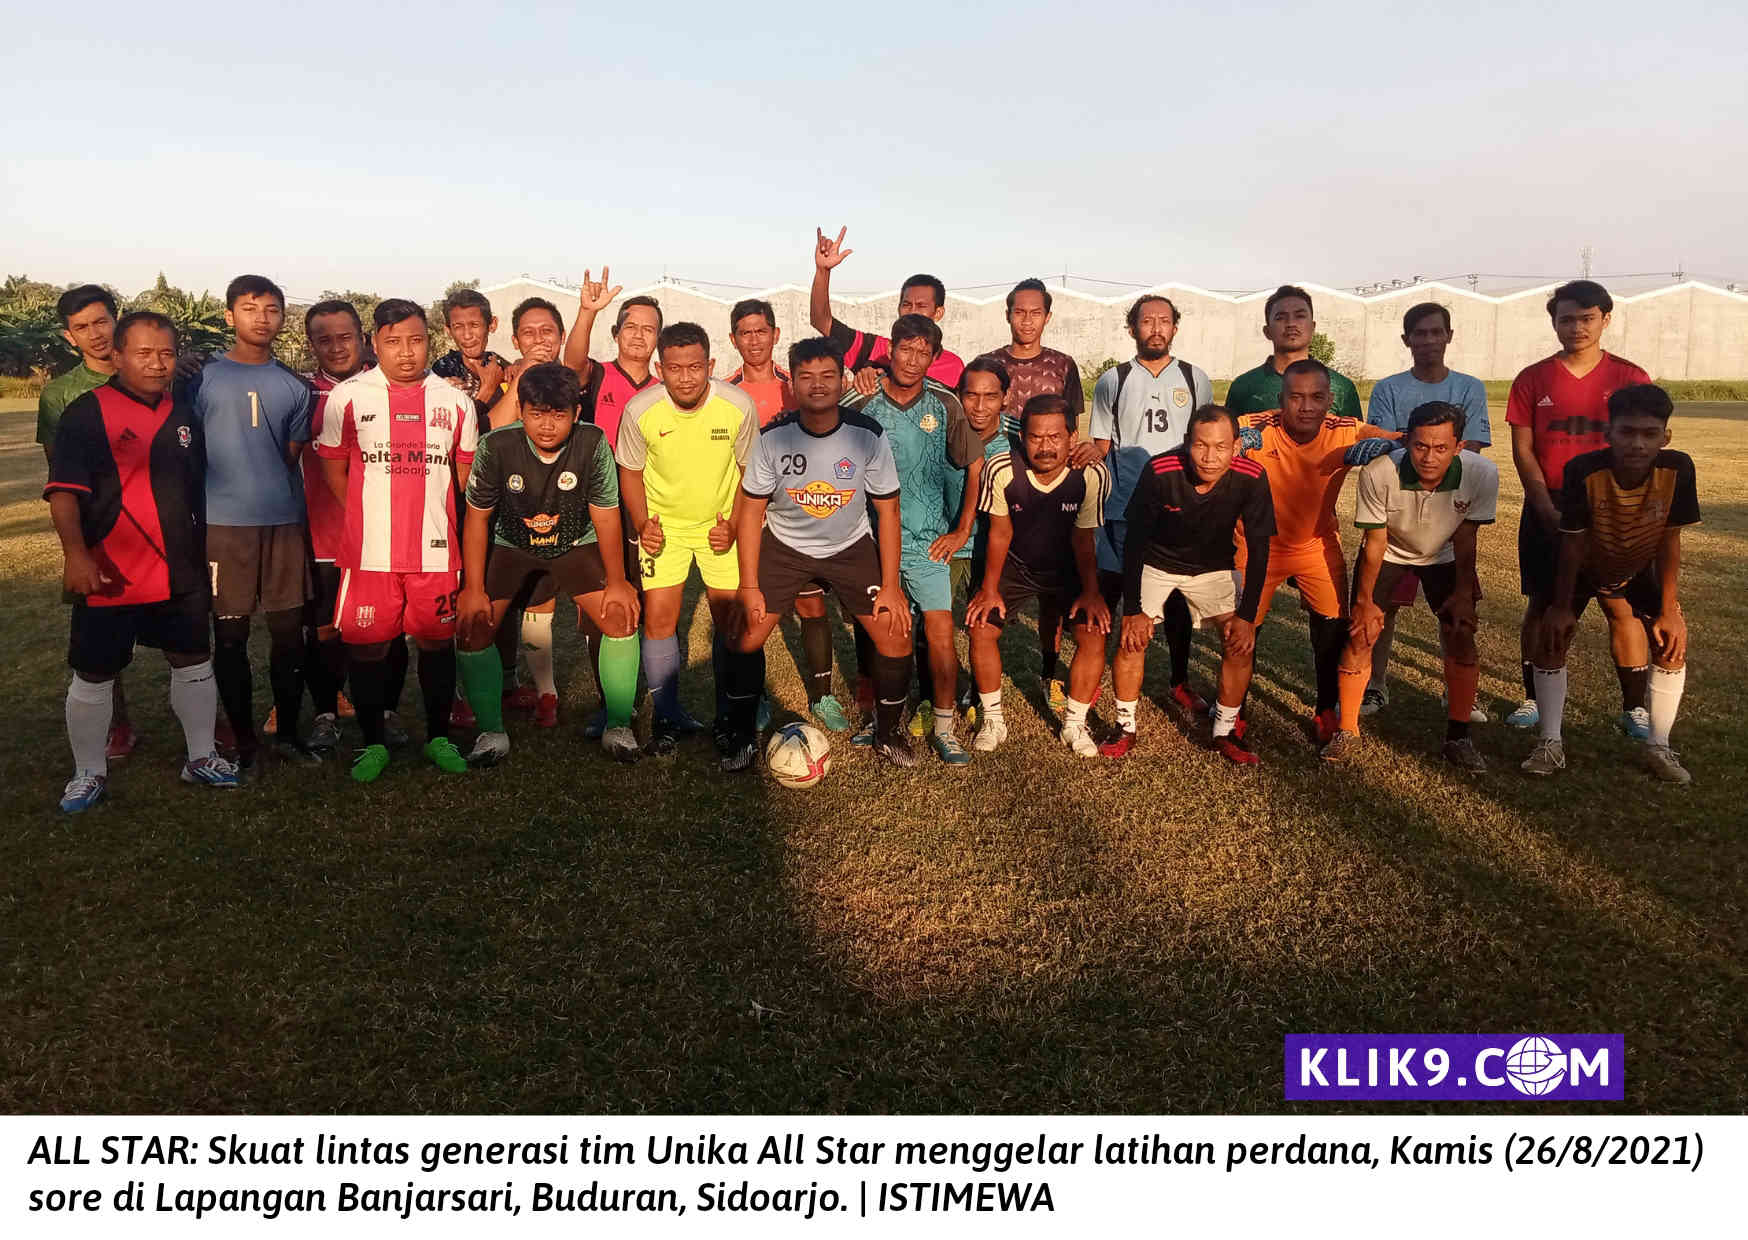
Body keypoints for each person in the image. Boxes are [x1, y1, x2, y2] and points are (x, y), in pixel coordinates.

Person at [44, 310, 239, 811]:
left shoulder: (183, 413)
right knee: (95, 672)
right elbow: (63, 493)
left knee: (192, 659)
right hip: (111, 568)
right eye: (144, 353)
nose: (157, 363)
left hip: (179, 566)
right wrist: (76, 556)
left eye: (166, 353)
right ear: (117, 356)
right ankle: (88, 772)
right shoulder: (87, 413)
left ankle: (201, 757)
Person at [725, 336, 916, 768]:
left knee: (895, 632)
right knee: (746, 633)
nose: (817, 385)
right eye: (806, 377)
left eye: (827, 376)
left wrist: (890, 585)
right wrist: (749, 585)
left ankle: (888, 732)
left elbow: (888, 511)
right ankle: (740, 735)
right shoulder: (772, 438)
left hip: (849, 546)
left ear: (842, 380)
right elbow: (751, 511)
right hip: (786, 545)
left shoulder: (867, 435)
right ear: (792, 384)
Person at [315, 299, 479, 783]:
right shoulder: (347, 398)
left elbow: (462, 477)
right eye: (393, 342)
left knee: (436, 644)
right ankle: (373, 742)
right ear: (375, 344)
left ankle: (438, 737)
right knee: (368, 649)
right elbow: (334, 471)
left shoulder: (455, 402)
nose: (406, 352)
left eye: (416, 340)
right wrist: (370, 516)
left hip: (435, 553)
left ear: (430, 341)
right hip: (370, 554)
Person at [456, 362, 642, 765]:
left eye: (558, 415)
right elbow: (477, 519)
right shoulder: (496, 446)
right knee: (474, 624)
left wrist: (617, 581)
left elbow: (605, 514)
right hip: (511, 544)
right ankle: (491, 733)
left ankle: (618, 725)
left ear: (576, 413)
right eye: (536, 414)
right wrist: (472, 588)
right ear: (521, 411)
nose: (546, 425)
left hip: (575, 542)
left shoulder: (592, 442)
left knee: (619, 616)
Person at [1524, 384, 1697, 784]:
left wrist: (1669, 609)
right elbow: (1572, 543)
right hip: (1581, 564)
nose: (1637, 443)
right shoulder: (1583, 470)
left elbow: (1670, 540)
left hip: (1637, 563)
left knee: (1670, 643)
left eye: (1649, 434)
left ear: (1666, 437)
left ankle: (1658, 746)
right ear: (1608, 433)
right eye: (1627, 432)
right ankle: (1550, 741)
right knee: (1552, 638)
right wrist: (1561, 606)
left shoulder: (1679, 469)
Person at [179, 274, 315, 772]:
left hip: (282, 524)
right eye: (250, 308)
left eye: (272, 309)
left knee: (289, 634)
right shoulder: (200, 378)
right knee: (231, 636)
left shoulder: (295, 386)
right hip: (223, 527)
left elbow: (289, 455)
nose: (262, 318)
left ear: (283, 318)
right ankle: (242, 740)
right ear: (229, 315)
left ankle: (289, 733)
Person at [1505, 279, 1650, 734]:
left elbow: (1644, 446)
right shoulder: (1533, 378)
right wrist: (1543, 506)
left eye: (1587, 318)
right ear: (1554, 323)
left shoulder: (1630, 378)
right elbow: (1523, 450)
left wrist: (1626, 505)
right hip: (1550, 504)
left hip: (1614, 508)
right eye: (1566, 319)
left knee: (1621, 605)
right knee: (1543, 604)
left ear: (1605, 320)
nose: (1577, 327)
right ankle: (1533, 698)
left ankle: (1634, 708)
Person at [843, 314, 985, 763]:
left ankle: (943, 727)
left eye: (924, 352)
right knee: (882, 633)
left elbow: (974, 465)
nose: (912, 359)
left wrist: (961, 529)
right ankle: (879, 720)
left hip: (927, 542)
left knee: (940, 633)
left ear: (934, 357)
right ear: (890, 350)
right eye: (905, 349)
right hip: (871, 542)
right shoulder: (861, 402)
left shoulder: (944, 404)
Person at [1326, 402, 1498, 770]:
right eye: (1420, 446)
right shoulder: (1379, 472)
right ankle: (1347, 729)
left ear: (1459, 447)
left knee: (1460, 632)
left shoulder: (1482, 473)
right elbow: (1374, 542)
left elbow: (1466, 538)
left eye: (1441, 448)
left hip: (1446, 553)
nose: (1429, 458)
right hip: (1390, 550)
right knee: (1362, 633)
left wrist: (1463, 595)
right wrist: (1364, 603)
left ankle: (1458, 737)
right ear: (1407, 441)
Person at [616, 322, 760, 757]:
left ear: (710, 365)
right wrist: (642, 523)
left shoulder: (737, 405)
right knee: (659, 619)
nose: (685, 378)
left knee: (730, 621)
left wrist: (734, 524)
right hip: (665, 530)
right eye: (674, 368)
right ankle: (666, 717)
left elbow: (750, 473)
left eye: (695, 367)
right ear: (659, 368)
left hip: (720, 527)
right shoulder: (640, 410)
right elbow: (630, 472)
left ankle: (728, 717)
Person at [1236, 360, 1398, 743]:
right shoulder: (1254, 425)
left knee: (1331, 629)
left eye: (1316, 397)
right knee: (1242, 630)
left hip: (1315, 543)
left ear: (1330, 400)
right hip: (1257, 546)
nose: (1306, 406)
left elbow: (1405, 438)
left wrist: (1387, 445)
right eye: (1296, 397)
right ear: (1281, 399)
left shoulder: (1344, 430)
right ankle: (1233, 708)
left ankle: (1326, 708)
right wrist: (1234, 443)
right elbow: (1200, 442)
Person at [1108, 405, 1276, 765]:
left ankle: (1225, 730)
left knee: (1238, 642)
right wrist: (1134, 609)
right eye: (1201, 445)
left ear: (1236, 447)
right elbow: (1134, 540)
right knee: (1132, 638)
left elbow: (1261, 549)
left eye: (1221, 447)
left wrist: (1248, 616)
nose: (1210, 457)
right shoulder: (1161, 470)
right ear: (1187, 442)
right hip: (1157, 562)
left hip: (1214, 567)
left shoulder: (1252, 475)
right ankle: (1124, 726)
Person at [1081, 294, 1213, 719]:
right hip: (1123, 508)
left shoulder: (1194, 378)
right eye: (1146, 321)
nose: (1155, 328)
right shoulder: (1113, 379)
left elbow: (1205, 443)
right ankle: (1091, 681)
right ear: (1132, 328)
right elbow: (1103, 444)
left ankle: (1179, 682)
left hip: (1178, 508)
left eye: (1164, 321)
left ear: (1175, 327)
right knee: (1110, 594)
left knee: (1175, 601)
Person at [1361, 301, 1492, 720]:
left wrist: (1440, 481)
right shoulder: (1389, 388)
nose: (1429, 340)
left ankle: (1455, 692)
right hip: (1400, 509)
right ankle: (1375, 686)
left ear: (1449, 336)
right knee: (1382, 606)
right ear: (1407, 340)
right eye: (1420, 333)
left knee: (1455, 606)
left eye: (1437, 332)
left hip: (1449, 512)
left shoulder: (1469, 387)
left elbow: (1470, 449)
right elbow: (1386, 445)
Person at [965, 395, 1112, 755]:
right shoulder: (1001, 468)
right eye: (1035, 437)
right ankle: (993, 719)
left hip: (1067, 567)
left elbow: (1084, 537)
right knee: (981, 626)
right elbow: (1000, 533)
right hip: (1016, 564)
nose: (1045, 447)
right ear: (1022, 437)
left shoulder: (1091, 474)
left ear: (1072, 437)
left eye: (1055, 437)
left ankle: (1074, 724)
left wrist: (1091, 592)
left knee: (1093, 633)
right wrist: (989, 589)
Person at [37, 284, 142, 759]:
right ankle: (119, 724)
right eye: (82, 327)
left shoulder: (155, 371)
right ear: (69, 336)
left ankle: (210, 719)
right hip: (101, 528)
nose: (95, 334)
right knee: (103, 633)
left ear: (117, 320)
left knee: (185, 630)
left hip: (163, 521)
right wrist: (75, 548)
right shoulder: (60, 394)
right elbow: (59, 472)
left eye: (101, 321)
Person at [973, 278, 1086, 712]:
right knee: (990, 581)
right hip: (1000, 480)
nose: (1026, 320)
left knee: (1052, 598)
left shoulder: (1062, 364)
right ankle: (978, 686)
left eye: (1035, 312)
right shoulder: (990, 362)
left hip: (1047, 485)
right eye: (1019, 312)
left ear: (1047, 317)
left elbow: (1072, 426)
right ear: (1007, 315)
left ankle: (1050, 671)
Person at [284, 299, 375, 752]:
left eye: (345, 337)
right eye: (325, 340)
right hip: (321, 537)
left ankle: (382, 711)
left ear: (363, 338)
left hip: (380, 535)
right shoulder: (300, 394)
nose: (336, 347)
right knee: (323, 630)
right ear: (311, 344)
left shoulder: (390, 388)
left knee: (378, 630)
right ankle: (325, 713)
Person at [809, 227, 965, 387]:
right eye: (906, 304)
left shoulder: (954, 366)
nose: (912, 311)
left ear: (938, 313)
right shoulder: (873, 349)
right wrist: (823, 271)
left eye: (921, 306)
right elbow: (821, 321)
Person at [1226, 284, 1363, 420]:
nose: (1291, 323)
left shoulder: (1341, 387)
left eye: (1300, 316)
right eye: (1280, 317)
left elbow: (1356, 433)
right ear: (1267, 331)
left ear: (1313, 327)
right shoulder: (1244, 386)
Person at [431, 288, 510, 434]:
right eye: (458, 327)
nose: (467, 335)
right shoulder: (443, 371)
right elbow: (452, 430)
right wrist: (488, 388)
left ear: (492, 324)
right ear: (448, 330)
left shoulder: (503, 368)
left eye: (474, 325)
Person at [725, 299, 794, 426]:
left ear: (775, 335)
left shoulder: (796, 388)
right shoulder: (724, 393)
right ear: (733, 340)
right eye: (746, 333)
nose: (754, 341)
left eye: (761, 332)